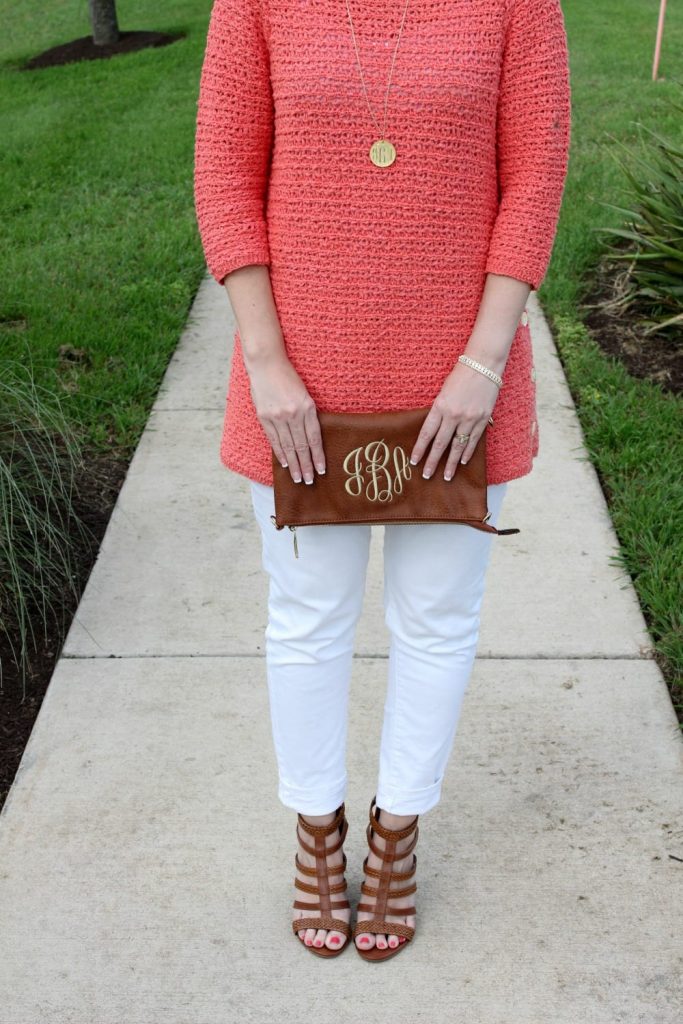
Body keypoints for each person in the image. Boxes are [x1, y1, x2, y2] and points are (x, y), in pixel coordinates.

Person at [194, 0, 571, 961]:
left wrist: (483, 369)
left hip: (460, 384)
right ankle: (317, 833)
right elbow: (225, 175)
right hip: (300, 390)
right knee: (307, 614)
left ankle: (397, 831)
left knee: (437, 617)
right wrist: (265, 362)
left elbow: (532, 182)